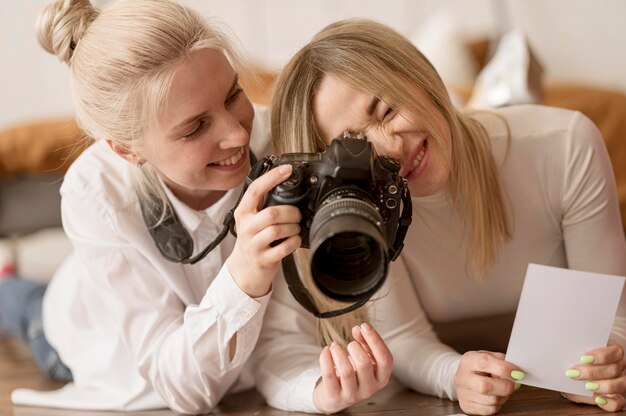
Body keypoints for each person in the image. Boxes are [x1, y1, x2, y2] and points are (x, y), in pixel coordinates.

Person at [253, 18, 626, 415]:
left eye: (387, 110)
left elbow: (614, 312)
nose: (391, 149)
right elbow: (403, 335)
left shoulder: (566, 144)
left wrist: (611, 358)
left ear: (417, 73)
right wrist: (454, 375)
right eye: (357, 147)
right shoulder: (361, 206)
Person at [0, 0, 307, 413]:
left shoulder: (282, 138)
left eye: (234, 94)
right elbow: (187, 394)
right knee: (23, 306)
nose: (238, 135)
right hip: (88, 342)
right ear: (126, 149)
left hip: (229, 354)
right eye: (196, 126)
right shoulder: (95, 191)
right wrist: (243, 275)